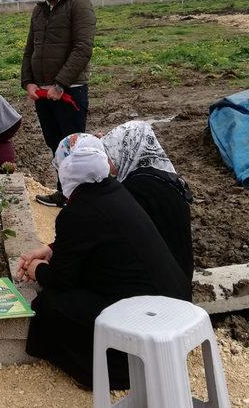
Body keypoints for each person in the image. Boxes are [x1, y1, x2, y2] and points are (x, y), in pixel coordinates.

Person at [18, 134, 191, 390]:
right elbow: (90, 241)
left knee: (50, 303)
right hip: (174, 298)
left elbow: (62, 279)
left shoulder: (76, 212)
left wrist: (37, 269)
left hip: (146, 313)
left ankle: (113, 373)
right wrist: (51, 250)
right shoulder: (114, 191)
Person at [21, 0, 96, 207]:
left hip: (69, 91)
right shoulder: (39, 10)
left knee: (73, 146)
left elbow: (83, 48)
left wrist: (61, 84)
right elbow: (30, 48)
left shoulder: (79, 5)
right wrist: (28, 82)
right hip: (43, 93)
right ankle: (65, 192)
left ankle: (81, 199)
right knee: (55, 145)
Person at [101, 120, 194, 280]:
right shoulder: (164, 178)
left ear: (125, 151)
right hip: (180, 271)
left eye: (109, 154)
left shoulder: (137, 190)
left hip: (159, 283)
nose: (107, 163)